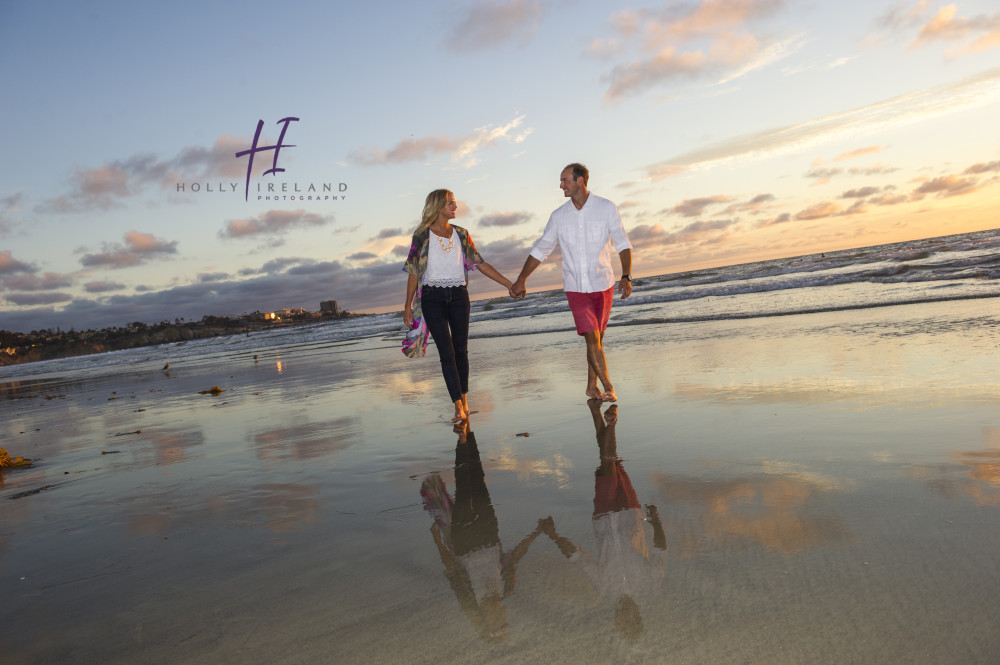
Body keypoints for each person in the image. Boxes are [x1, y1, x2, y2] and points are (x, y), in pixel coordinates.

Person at [539, 401, 667, 641]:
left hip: (604, 517)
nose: (622, 618)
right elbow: (660, 551)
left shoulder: (605, 590)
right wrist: (656, 522)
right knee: (611, 463)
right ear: (637, 617)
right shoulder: (651, 589)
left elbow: (579, 559)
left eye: (620, 623)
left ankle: (608, 420)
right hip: (630, 514)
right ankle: (598, 413)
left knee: (607, 468)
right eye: (628, 622)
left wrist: (553, 535)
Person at [511, 163, 632, 402]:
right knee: (591, 337)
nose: (561, 185)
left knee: (596, 340)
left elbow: (622, 243)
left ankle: (590, 386)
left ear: (580, 181)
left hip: (603, 283)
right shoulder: (558, 216)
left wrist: (626, 276)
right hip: (575, 287)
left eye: (565, 180)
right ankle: (609, 387)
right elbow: (541, 248)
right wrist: (521, 278)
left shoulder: (606, 208)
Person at [421, 422, 545, 642]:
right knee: (478, 482)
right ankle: (468, 432)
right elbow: (514, 557)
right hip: (488, 534)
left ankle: (462, 439)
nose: (503, 616)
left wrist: (437, 539)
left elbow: (450, 567)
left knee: (463, 486)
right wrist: (537, 532)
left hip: (464, 541)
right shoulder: (506, 588)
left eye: (500, 623)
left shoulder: (468, 598)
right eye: (504, 622)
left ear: (485, 621)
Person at [403, 189, 514, 423]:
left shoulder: (462, 234)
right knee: (447, 353)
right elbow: (413, 271)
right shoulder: (422, 236)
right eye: (451, 203)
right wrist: (407, 305)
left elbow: (480, 263)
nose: (455, 206)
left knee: (461, 351)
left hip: (459, 296)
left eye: (455, 203)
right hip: (432, 298)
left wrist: (508, 284)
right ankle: (457, 406)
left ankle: (464, 400)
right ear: (438, 205)